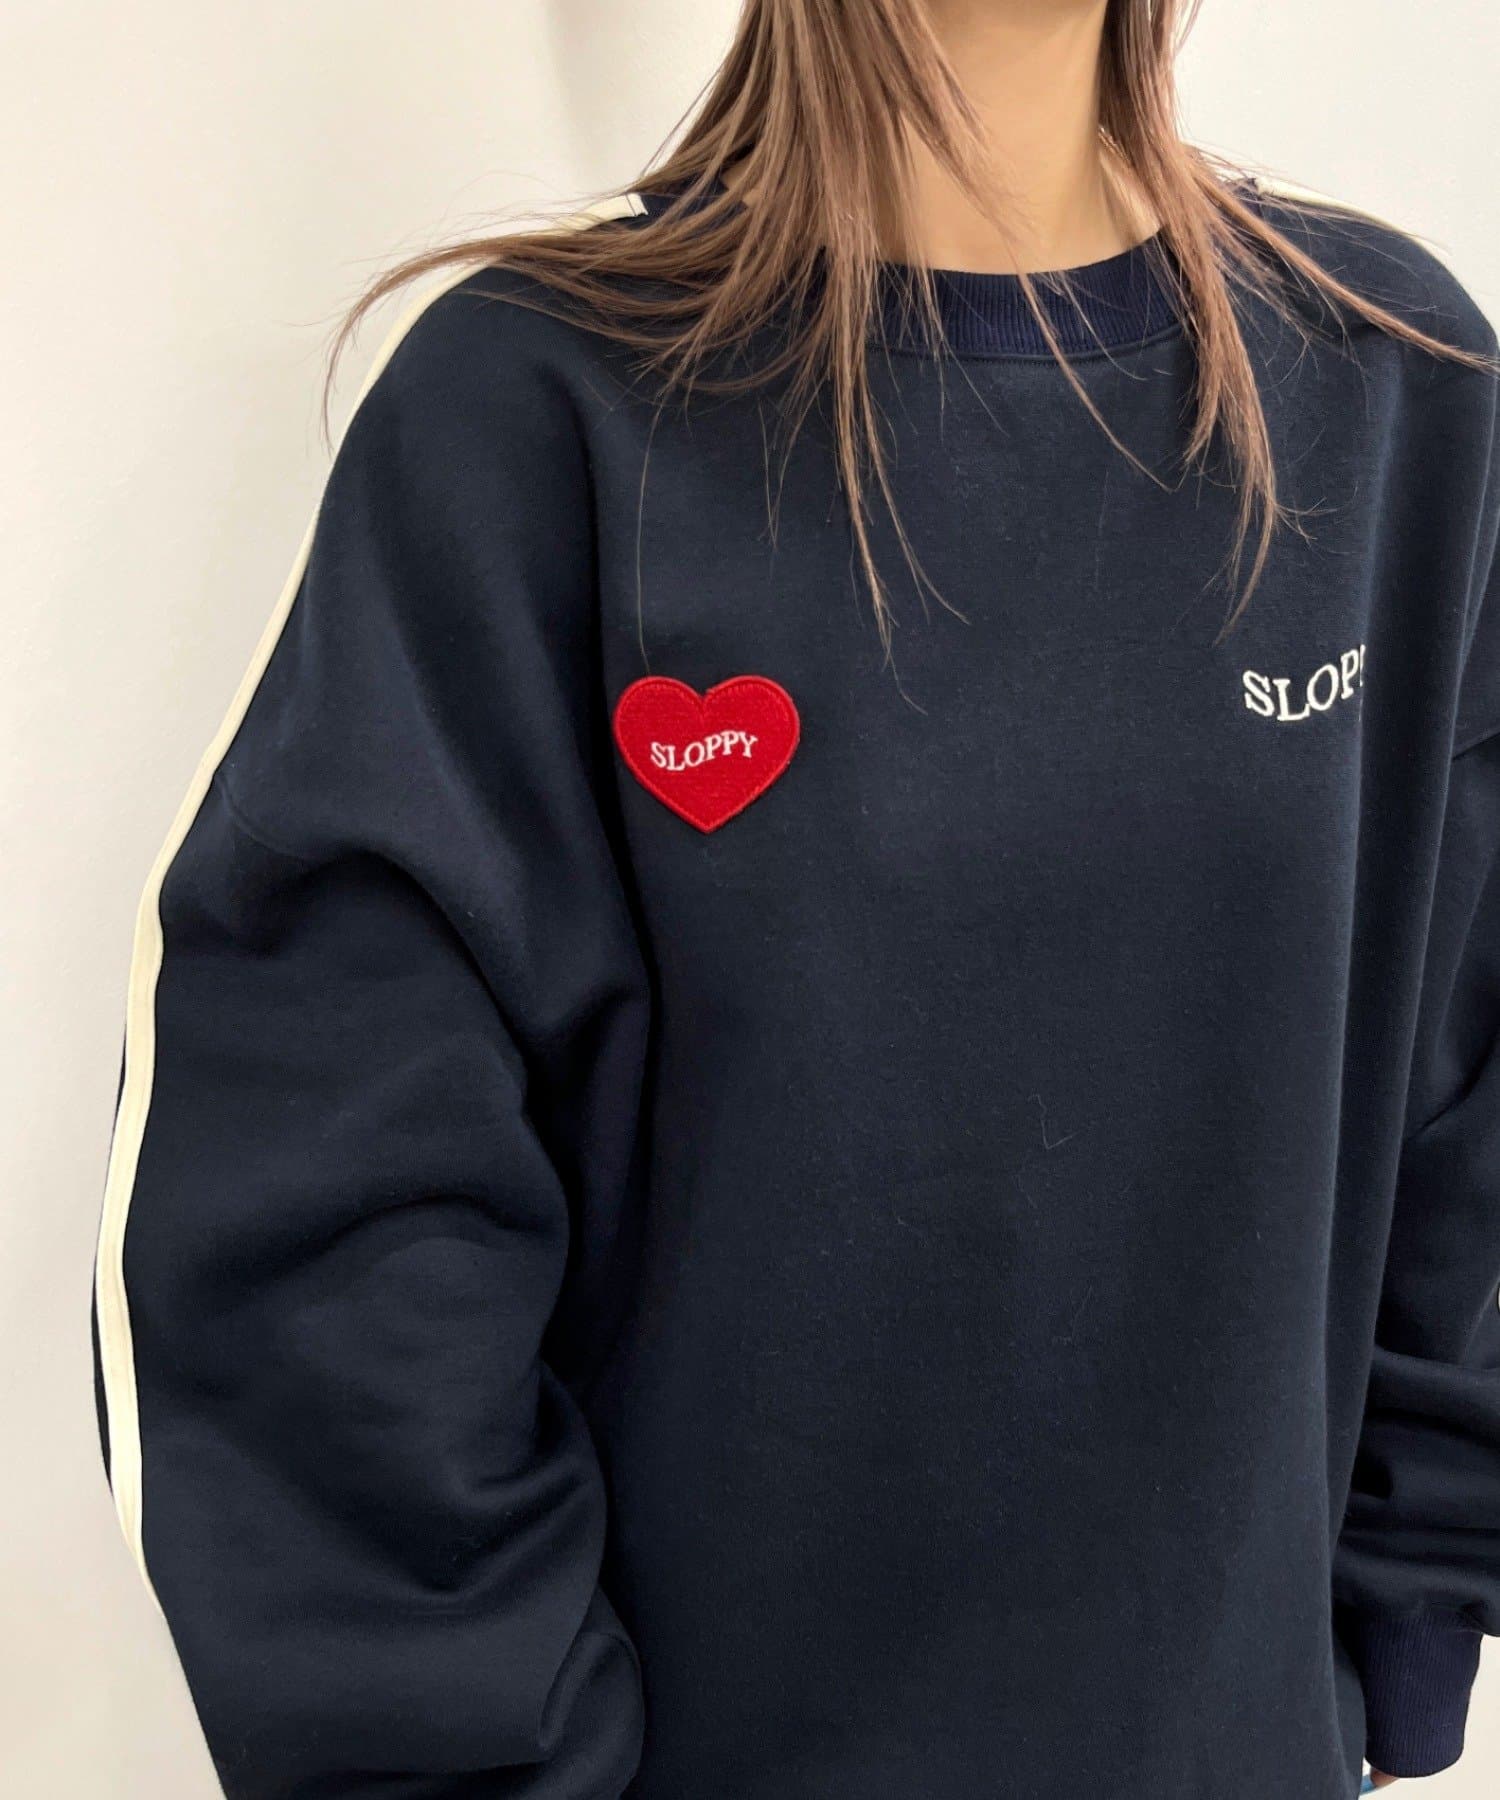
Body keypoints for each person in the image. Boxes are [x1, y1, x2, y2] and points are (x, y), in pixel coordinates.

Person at [92, 1, 1500, 1795]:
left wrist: (1383, 1661)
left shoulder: (1394, 393)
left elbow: (1469, 1111)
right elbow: (318, 1223)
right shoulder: (539, 415)